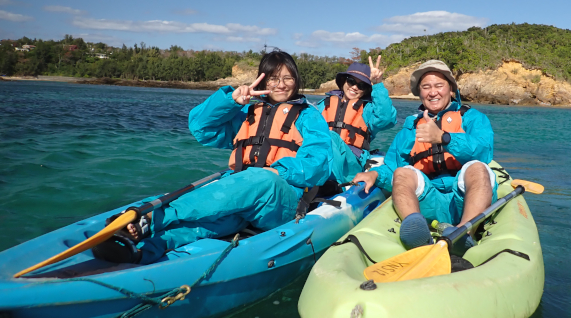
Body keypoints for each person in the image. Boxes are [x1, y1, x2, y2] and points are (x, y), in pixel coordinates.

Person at [95, 51, 333, 265]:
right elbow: (201, 127)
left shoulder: (309, 116)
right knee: (209, 222)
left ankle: (150, 219)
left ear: (297, 80)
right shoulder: (246, 113)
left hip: (282, 201)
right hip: (243, 196)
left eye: (287, 78)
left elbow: (318, 163)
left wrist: (278, 171)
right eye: (273, 78)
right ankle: (139, 251)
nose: (281, 85)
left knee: (260, 180)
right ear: (263, 79)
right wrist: (230, 101)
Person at [353, 59, 496, 252]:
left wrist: (444, 138)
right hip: (428, 200)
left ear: (451, 89)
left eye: (439, 85)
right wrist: (376, 174)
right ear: (420, 93)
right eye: (426, 87)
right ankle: (417, 234)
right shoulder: (411, 127)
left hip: (465, 198)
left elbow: (483, 151)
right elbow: (394, 166)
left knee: (478, 168)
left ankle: (464, 235)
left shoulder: (472, 118)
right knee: (402, 173)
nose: (432, 92)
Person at [317, 56, 397, 184]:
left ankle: (331, 185)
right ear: (344, 81)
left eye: (361, 85)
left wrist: (377, 85)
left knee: (331, 137)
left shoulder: (368, 110)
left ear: (366, 90)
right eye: (351, 81)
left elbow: (386, 119)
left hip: (351, 162)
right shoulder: (323, 104)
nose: (354, 87)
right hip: (321, 157)